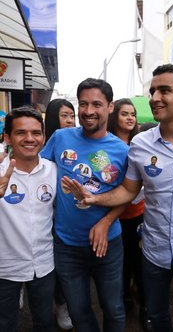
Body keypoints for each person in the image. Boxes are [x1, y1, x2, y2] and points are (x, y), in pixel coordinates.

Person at [62, 64, 173, 331]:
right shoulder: (140, 144)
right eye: (153, 91)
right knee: (157, 319)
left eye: (164, 90)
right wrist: (94, 199)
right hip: (153, 254)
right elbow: (129, 191)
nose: (155, 97)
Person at [42, 78, 128, 332]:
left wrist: (106, 221)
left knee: (114, 308)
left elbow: (127, 194)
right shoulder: (60, 138)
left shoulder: (121, 150)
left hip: (108, 245)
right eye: (83, 104)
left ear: (110, 107)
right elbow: (37, 171)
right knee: (78, 311)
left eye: (97, 104)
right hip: (66, 246)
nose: (88, 111)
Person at [0, 106, 57, 332]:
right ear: (7, 137)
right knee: (6, 324)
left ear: (43, 136)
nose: (30, 138)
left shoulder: (53, 170)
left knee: (44, 322)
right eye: (21, 133)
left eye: (36, 133)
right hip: (5, 268)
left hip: (44, 265)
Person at [107, 98, 149, 328]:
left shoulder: (141, 143)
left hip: (138, 214)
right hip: (112, 216)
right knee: (118, 264)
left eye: (133, 114)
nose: (130, 118)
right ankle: (123, 299)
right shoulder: (106, 143)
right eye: (125, 114)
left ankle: (144, 305)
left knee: (139, 262)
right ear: (115, 117)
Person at [44, 98, 75, 330]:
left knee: (65, 266)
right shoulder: (46, 143)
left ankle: (65, 303)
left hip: (69, 216)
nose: (70, 120)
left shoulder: (77, 143)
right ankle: (58, 304)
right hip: (47, 215)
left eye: (71, 115)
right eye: (64, 116)